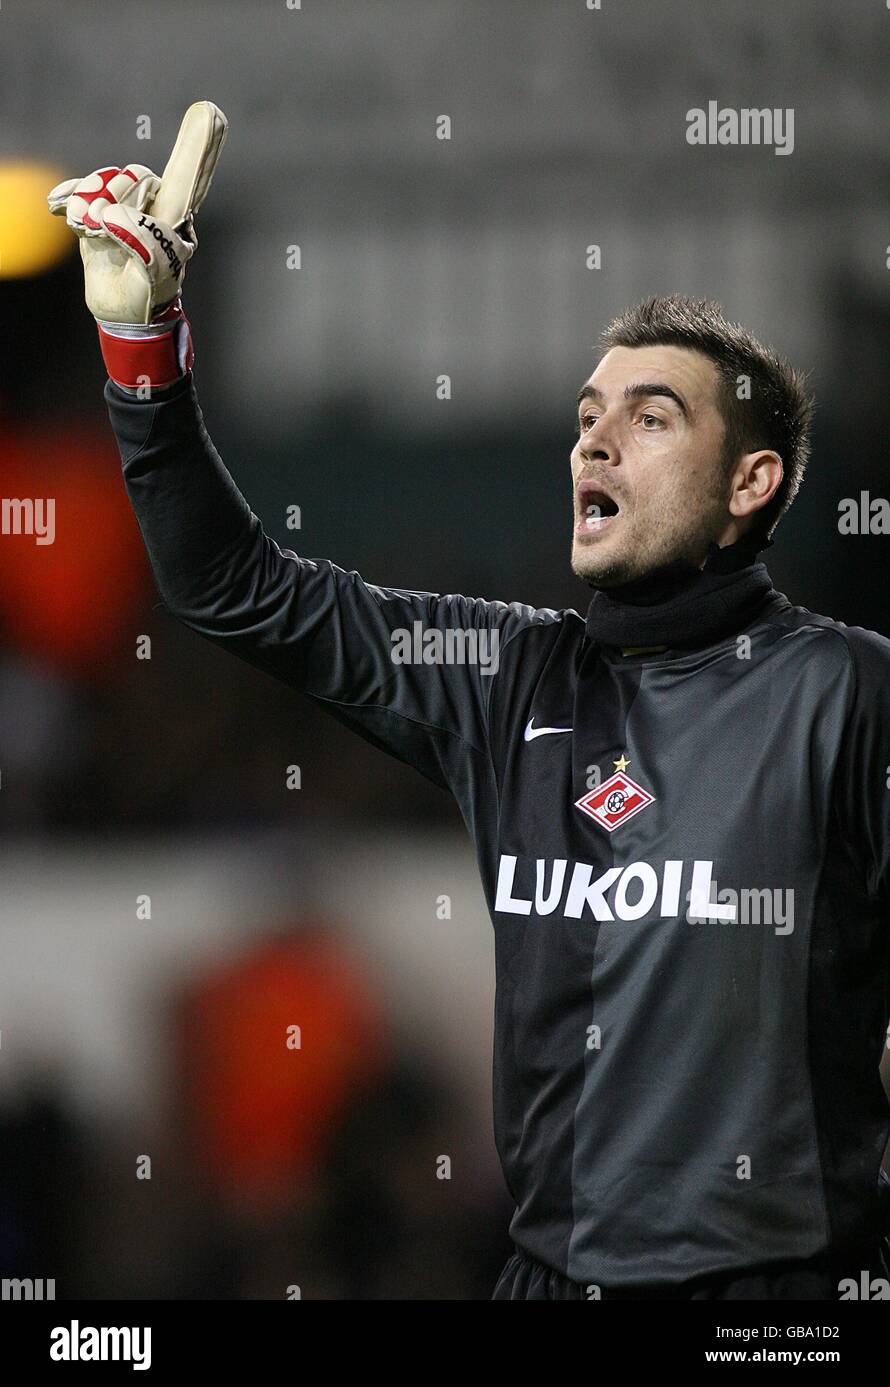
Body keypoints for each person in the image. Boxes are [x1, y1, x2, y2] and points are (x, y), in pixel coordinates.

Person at [49, 146, 890, 1300]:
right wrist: (144, 360)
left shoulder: (843, 692)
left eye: (649, 419)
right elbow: (233, 588)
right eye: (587, 415)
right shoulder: (504, 675)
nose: (590, 442)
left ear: (749, 484)